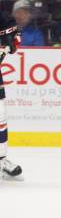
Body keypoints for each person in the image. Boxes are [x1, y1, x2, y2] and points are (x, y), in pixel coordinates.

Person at [0, 13, 22, 179]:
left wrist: (9, 42)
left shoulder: (4, 18)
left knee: (0, 117)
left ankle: (1, 161)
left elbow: (14, 44)